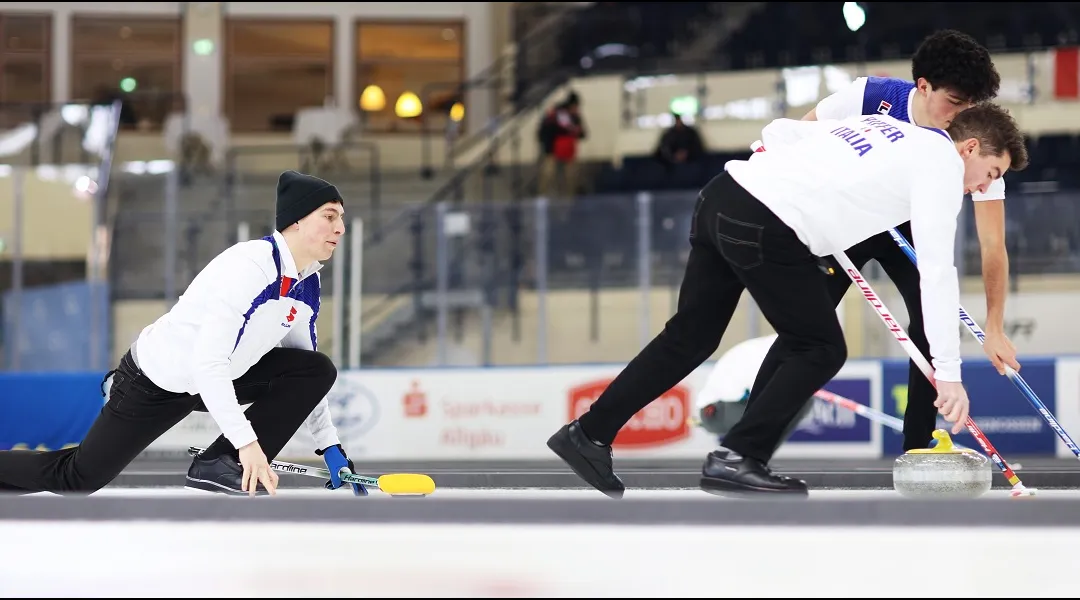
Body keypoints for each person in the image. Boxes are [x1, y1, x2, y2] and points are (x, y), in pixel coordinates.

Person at [547, 103, 1029, 498]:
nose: (984, 187)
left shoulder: (885, 127)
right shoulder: (942, 166)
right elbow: (937, 273)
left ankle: (589, 434)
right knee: (819, 347)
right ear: (969, 147)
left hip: (722, 196)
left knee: (690, 336)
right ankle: (737, 456)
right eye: (990, 172)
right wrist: (948, 373)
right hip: (765, 223)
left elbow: (780, 132)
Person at [0, 170, 364, 498]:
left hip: (217, 378)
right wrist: (248, 444)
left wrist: (329, 444)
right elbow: (207, 364)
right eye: (329, 217)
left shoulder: (307, 283)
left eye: (342, 219)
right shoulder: (251, 267)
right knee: (77, 478)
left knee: (315, 368)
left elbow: (305, 369)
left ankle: (218, 463)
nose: (340, 229)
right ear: (296, 222)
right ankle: (227, 458)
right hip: (156, 381)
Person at [740, 29, 1017, 455]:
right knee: (807, 324)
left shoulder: (976, 146)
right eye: (957, 100)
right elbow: (803, 135)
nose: (960, 110)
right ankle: (745, 438)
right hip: (854, 217)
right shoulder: (871, 96)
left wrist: (994, 328)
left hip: (913, 225)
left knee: (930, 319)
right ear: (926, 87)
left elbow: (993, 245)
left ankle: (919, 445)